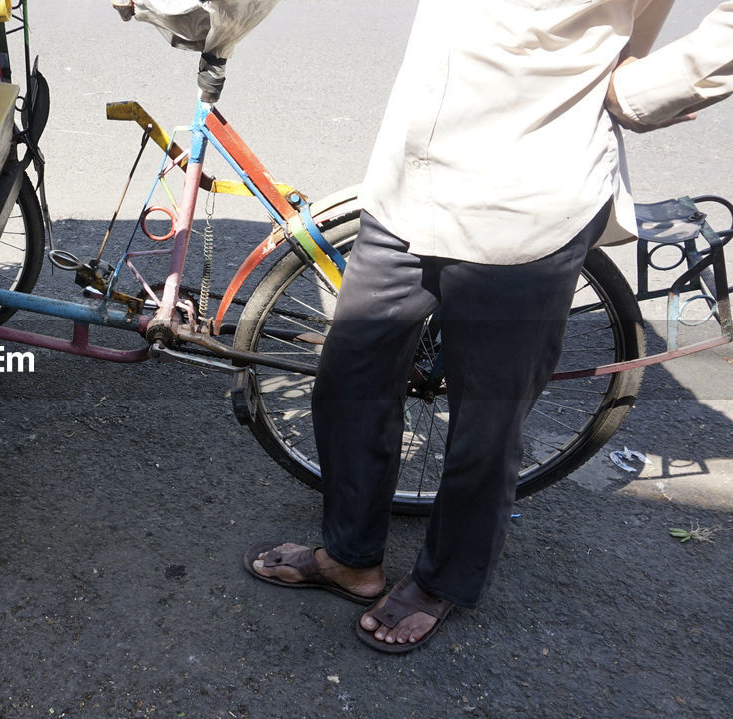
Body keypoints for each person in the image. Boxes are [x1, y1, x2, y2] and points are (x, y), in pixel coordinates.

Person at [245, 0, 733, 654]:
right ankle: (351, 557)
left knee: (486, 420)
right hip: (408, 181)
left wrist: (644, 91)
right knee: (349, 373)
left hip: (530, 196)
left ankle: (443, 579)